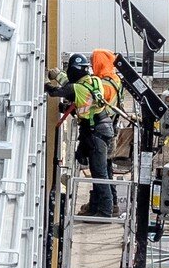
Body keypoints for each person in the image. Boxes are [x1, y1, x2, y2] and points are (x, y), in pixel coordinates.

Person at [46, 51, 122, 218]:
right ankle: (99, 206)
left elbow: (60, 91)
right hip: (102, 128)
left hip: (95, 132)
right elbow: (82, 97)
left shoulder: (78, 87)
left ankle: (105, 210)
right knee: (101, 170)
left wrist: (46, 81)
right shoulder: (96, 80)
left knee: (100, 172)